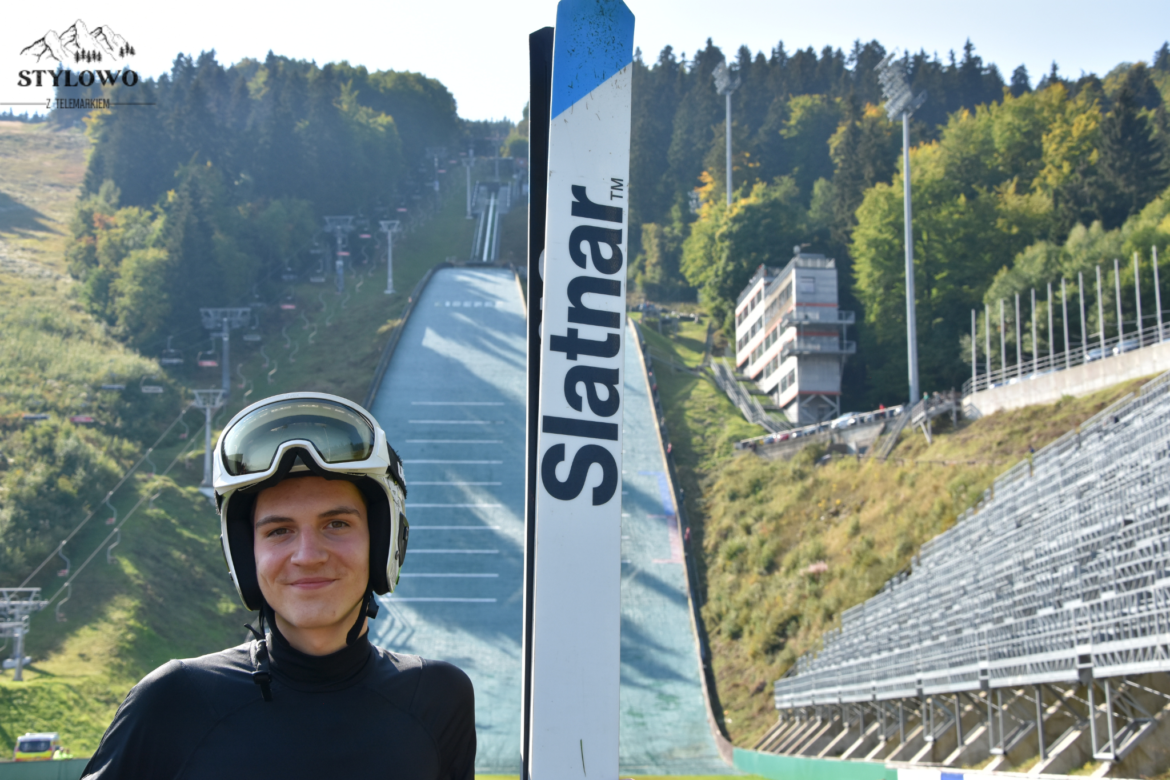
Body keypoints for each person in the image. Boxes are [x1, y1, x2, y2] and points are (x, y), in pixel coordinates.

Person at [82, 393, 476, 779]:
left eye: (337, 524)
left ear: (384, 539)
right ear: (244, 554)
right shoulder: (174, 701)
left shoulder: (439, 699)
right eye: (279, 530)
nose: (308, 555)